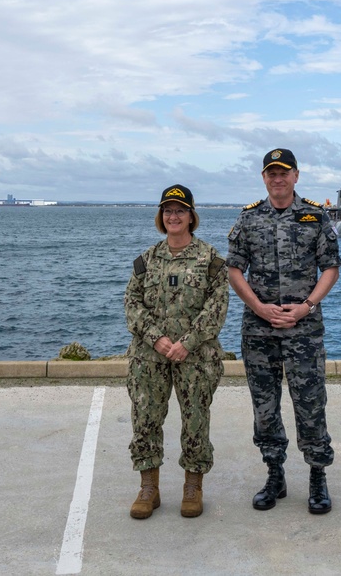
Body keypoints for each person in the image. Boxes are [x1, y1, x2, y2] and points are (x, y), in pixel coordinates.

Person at [227, 149, 341, 514]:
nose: (277, 178)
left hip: (304, 330)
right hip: (259, 331)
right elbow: (233, 270)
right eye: (271, 173)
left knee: (310, 405)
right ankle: (275, 474)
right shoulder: (248, 220)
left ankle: (317, 476)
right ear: (264, 178)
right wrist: (258, 307)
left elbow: (331, 268)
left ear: (296, 175)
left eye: (284, 172)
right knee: (265, 408)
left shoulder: (315, 217)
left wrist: (306, 306)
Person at [124, 184, 229, 519]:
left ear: (191, 217)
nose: (173, 216)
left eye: (180, 211)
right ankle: (149, 488)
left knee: (196, 420)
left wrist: (187, 342)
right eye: (168, 211)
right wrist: (156, 338)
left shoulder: (210, 260)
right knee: (145, 419)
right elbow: (131, 304)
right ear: (161, 217)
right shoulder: (146, 261)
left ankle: (192, 486)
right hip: (149, 357)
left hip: (195, 357)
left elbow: (217, 307)